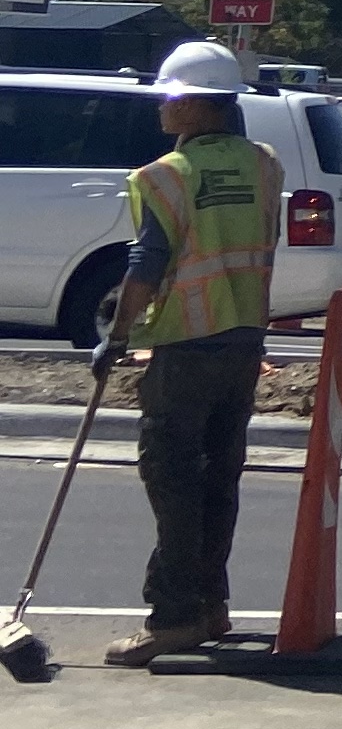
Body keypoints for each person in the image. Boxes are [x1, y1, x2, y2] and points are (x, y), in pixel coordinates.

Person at [95, 40, 278, 668]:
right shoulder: (264, 164)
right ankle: (211, 605)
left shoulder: (168, 175)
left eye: (172, 98)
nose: (163, 109)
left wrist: (117, 335)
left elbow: (147, 264)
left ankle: (174, 617)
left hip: (186, 345)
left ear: (200, 107)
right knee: (219, 478)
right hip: (244, 342)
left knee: (172, 480)